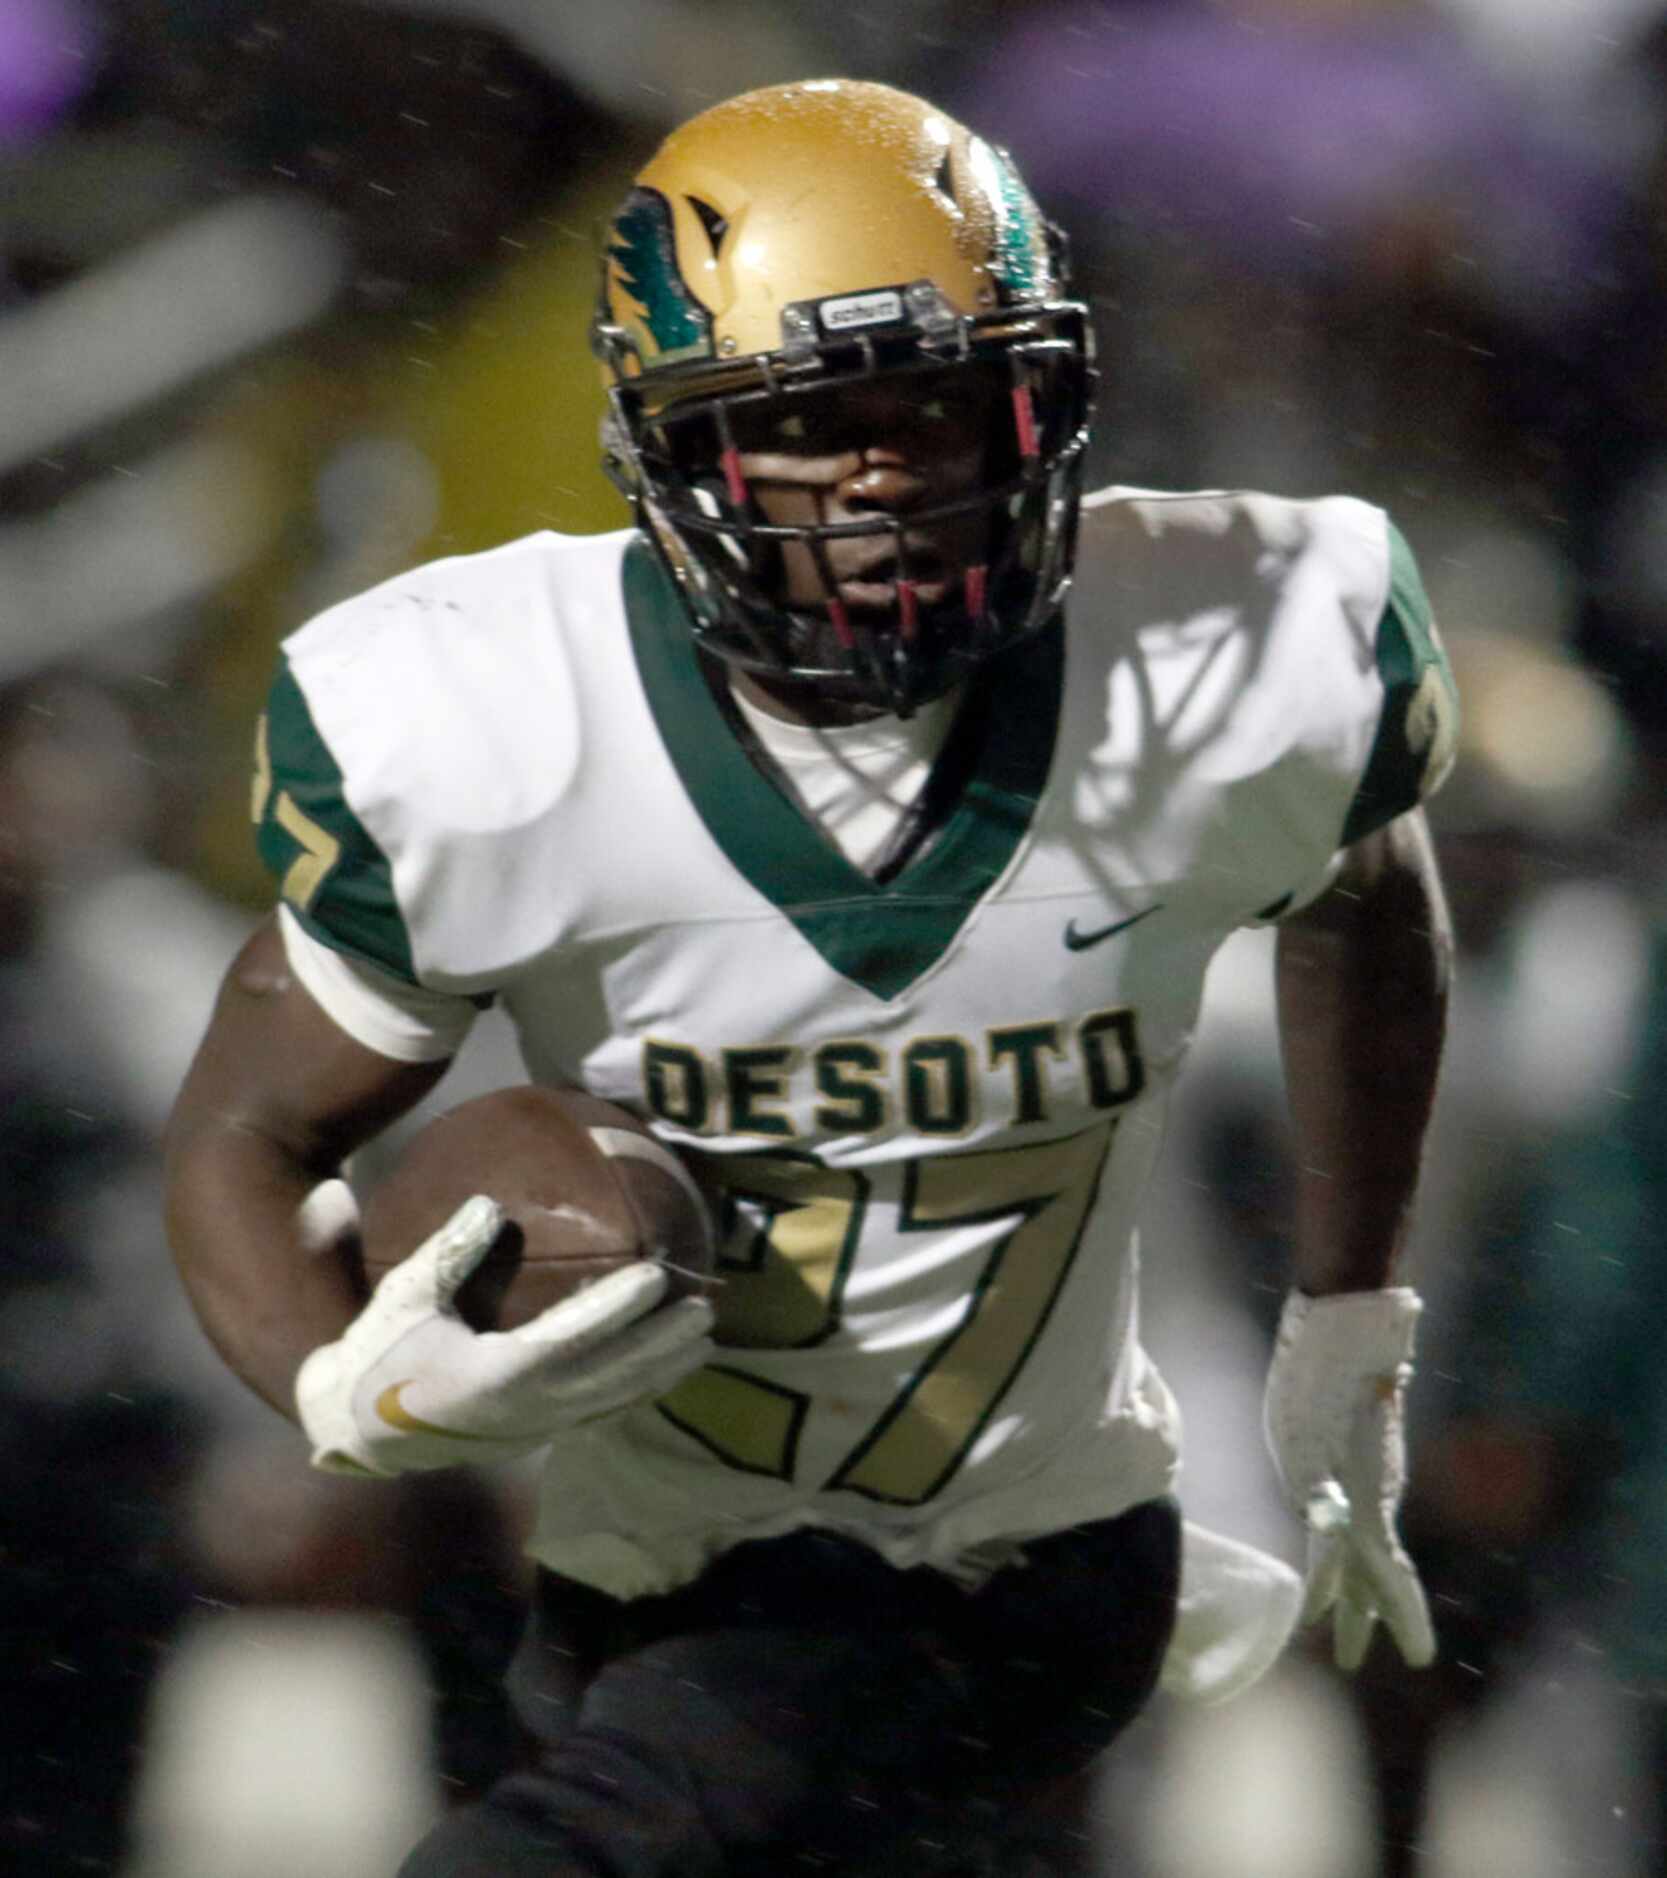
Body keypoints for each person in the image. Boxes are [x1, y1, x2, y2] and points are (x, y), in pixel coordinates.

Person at [164, 77, 1457, 1877]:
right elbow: (242, 1128)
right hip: (638, 1574)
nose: (893, 470)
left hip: (1026, 1549)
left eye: (943, 403)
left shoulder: (1239, 650)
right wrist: (344, 1385)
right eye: (811, 422)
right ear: (665, 445)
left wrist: (1350, 1317)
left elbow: (1367, 896)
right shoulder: (484, 718)